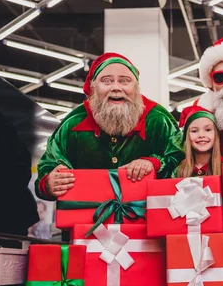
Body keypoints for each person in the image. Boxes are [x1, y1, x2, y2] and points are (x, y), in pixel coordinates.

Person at [35, 53, 184, 200]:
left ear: (136, 87)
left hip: (148, 219)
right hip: (87, 219)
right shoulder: (73, 123)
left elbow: (182, 159)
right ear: (94, 87)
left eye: (124, 81)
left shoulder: (158, 119)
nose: (116, 87)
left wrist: (155, 163)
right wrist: (48, 183)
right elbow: (49, 165)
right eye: (107, 81)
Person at [174, 105, 223, 177]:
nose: (201, 135)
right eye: (194, 131)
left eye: (208, 130)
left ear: (216, 134)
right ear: (187, 136)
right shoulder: (178, 171)